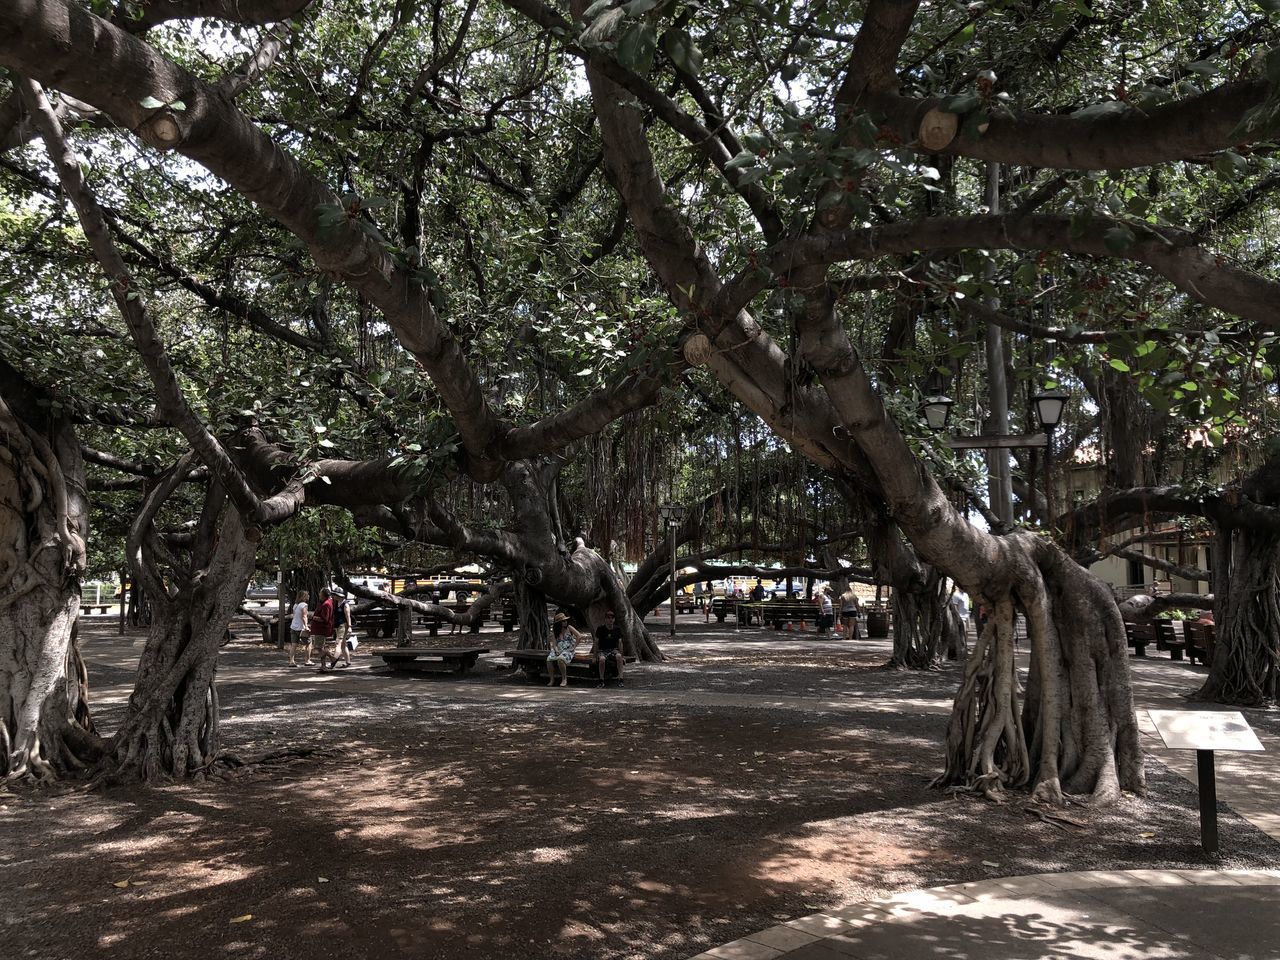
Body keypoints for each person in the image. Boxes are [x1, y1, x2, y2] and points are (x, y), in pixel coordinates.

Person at [547, 612, 586, 687]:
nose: (565, 622)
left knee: (560, 659)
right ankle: (552, 679)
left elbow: (579, 636)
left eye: (565, 620)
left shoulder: (569, 628)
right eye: (563, 621)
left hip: (568, 650)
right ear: (559, 623)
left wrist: (574, 647)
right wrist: (556, 650)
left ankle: (564, 679)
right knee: (549, 659)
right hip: (559, 649)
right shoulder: (555, 631)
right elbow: (554, 644)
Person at [322, 589, 356, 670]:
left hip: (343, 625)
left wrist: (350, 627)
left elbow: (348, 616)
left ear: (339, 595)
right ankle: (348, 661)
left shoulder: (345, 604)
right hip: (338, 626)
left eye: (335, 595)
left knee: (338, 643)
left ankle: (333, 662)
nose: (334, 596)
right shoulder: (336, 603)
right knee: (343, 644)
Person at [592, 608, 625, 686]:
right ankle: (601, 680)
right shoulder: (600, 629)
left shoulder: (617, 629)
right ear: (605, 619)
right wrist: (594, 656)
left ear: (614, 619)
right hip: (602, 650)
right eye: (608, 618)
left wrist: (622, 655)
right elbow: (596, 642)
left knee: (619, 657)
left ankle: (621, 679)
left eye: (612, 618)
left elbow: (620, 642)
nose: (610, 620)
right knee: (602, 659)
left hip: (613, 649)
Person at [307, 587, 335, 668]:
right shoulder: (323, 602)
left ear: (324, 595)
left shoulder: (326, 604)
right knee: (320, 647)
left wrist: (314, 617)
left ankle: (332, 657)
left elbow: (325, 619)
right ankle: (323, 665)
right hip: (319, 629)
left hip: (321, 629)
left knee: (319, 648)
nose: (319, 594)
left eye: (320, 593)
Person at [288, 589, 310, 667]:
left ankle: (291, 661)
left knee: (294, 645)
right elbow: (304, 616)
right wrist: (306, 626)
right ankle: (307, 660)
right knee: (308, 643)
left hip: (293, 626)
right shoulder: (304, 605)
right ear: (304, 596)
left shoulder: (295, 605)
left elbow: (295, 616)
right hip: (301, 628)